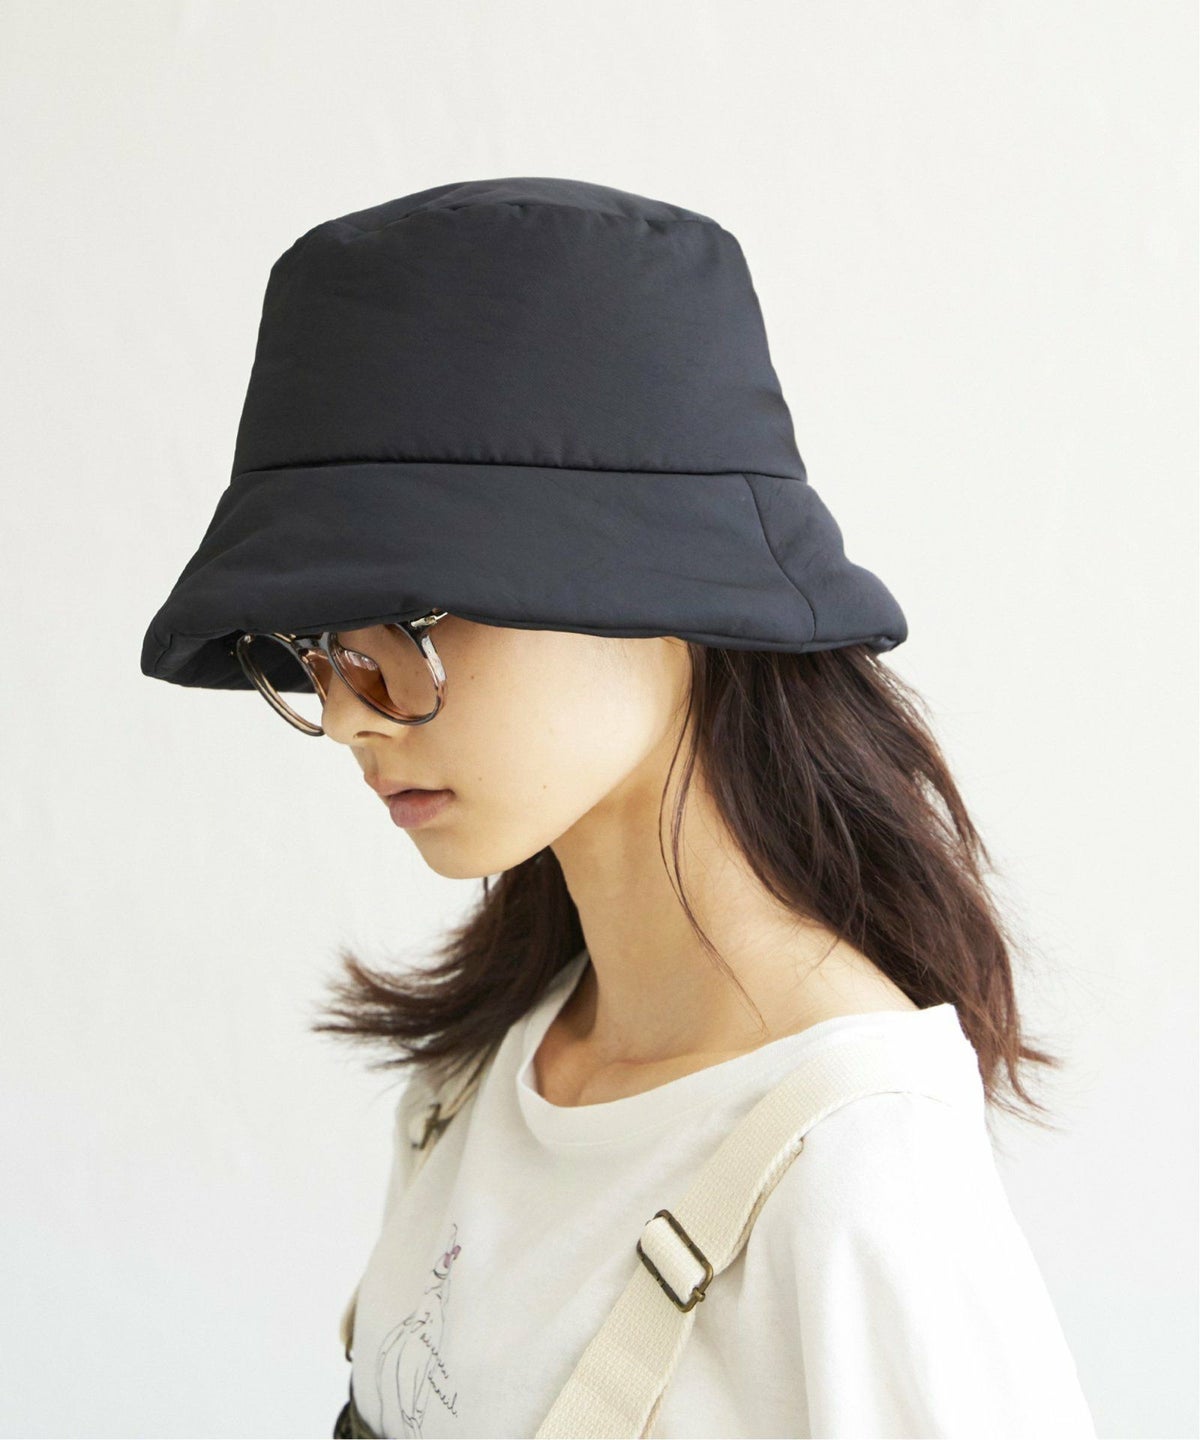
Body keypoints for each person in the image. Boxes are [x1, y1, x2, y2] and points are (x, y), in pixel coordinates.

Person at [140, 176, 1097, 1438]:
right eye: (309, 643)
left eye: (404, 621)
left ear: (664, 585)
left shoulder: (859, 1176)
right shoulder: (482, 1078)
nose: (348, 711)